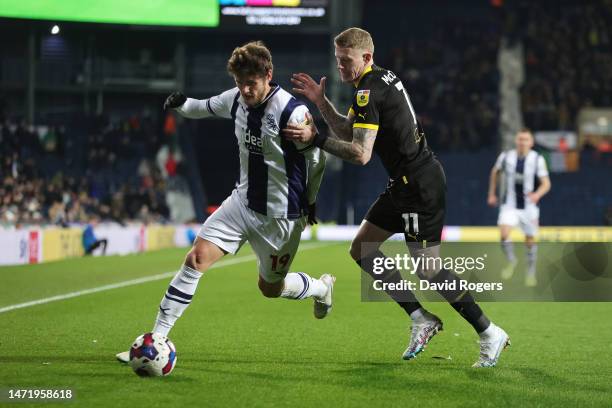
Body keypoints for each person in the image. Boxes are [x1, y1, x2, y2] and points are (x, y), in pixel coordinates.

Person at [285, 27, 509, 367]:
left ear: (366, 57)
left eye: (346, 61)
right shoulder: (374, 81)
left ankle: (489, 333)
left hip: (419, 186)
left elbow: (360, 155)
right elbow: (349, 131)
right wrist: (320, 102)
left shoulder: (368, 92)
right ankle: (421, 318)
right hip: (405, 183)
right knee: (362, 248)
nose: (341, 67)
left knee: (428, 269)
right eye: (337, 60)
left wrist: (315, 139)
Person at [116, 41, 332, 362]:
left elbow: (317, 160)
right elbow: (202, 107)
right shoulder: (235, 100)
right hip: (241, 204)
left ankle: (320, 288)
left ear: (268, 75)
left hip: (280, 217)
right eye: (239, 83)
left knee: (270, 289)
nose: (244, 90)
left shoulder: (292, 112)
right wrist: (180, 103)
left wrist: (310, 201)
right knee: (196, 258)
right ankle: (156, 339)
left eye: (251, 83)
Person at [487, 128, 551, 287]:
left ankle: (530, 272)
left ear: (531, 142)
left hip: (529, 208)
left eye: (525, 139)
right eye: (520, 139)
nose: (522, 142)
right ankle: (511, 260)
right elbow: (495, 172)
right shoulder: (506, 156)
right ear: (516, 141)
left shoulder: (537, 159)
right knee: (503, 233)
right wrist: (492, 193)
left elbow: (546, 184)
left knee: (529, 241)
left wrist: (537, 194)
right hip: (509, 205)